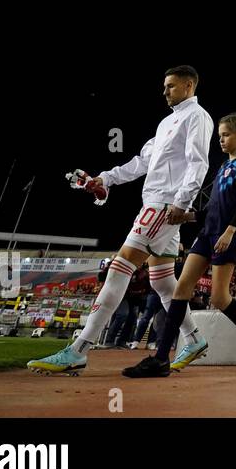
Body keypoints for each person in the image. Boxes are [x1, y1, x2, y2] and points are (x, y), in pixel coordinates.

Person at [29, 66, 211, 375]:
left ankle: (79, 349)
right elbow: (141, 162)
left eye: (170, 85)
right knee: (163, 282)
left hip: (163, 204)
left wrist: (181, 203)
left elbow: (198, 162)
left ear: (188, 84)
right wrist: (104, 179)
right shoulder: (167, 123)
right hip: (160, 204)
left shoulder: (198, 117)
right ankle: (193, 338)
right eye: (164, 86)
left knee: (120, 267)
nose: (164, 91)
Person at [124, 113, 236, 376]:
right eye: (219, 136)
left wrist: (230, 231)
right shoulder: (223, 167)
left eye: (225, 135)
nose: (221, 140)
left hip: (227, 235)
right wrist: (188, 216)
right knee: (180, 289)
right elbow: (214, 208)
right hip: (207, 233)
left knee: (219, 297)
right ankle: (160, 359)